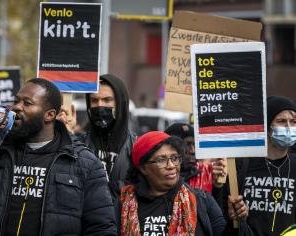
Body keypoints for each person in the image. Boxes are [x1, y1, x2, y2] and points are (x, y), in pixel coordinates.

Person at [0, 78, 117, 235]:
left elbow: (101, 228)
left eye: (27, 103)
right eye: (16, 101)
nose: (17, 107)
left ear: (50, 115)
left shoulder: (83, 163)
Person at [112, 131, 248, 236]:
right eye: (161, 160)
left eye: (174, 158)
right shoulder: (124, 203)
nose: (171, 165)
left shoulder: (201, 200)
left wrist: (235, 221)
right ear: (143, 167)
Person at [223, 96, 296, 235]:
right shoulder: (242, 164)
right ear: (267, 126)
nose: (289, 127)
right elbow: (223, 216)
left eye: (293, 122)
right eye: (281, 121)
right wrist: (235, 215)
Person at [83, 74, 136, 182]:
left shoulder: (135, 146)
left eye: (107, 100)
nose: (99, 105)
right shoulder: (80, 143)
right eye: (94, 100)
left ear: (120, 103)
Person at [165, 123, 227, 192]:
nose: (193, 151)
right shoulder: (160, 181)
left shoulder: (207, 174)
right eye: (187, 145)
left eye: (195, 145)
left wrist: (217, 186)